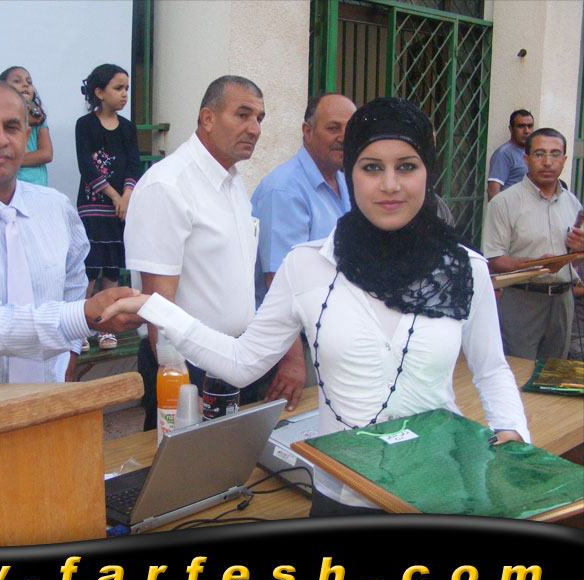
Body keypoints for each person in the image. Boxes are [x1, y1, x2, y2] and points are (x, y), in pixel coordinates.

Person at [105, 97, 530, 517]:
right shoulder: (307, 265)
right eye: (371, 167)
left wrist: (512, 430)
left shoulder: (465, 268)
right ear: (351, 172)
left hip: (437, 493)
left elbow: (491, 368)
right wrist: (156, 308)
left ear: (428, 172)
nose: (390, 185)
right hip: (342, 497)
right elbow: (241, 363)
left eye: (406, 166)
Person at [0, 80, 141, 389]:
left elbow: (73, 286)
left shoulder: (56, 208)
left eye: (12, 127)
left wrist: (68, 360)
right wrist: (84, 315)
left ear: (26, 136)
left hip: (48, 396)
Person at [124, 75, 267, 431]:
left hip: (235, 358)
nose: (254, 129)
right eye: (243, 115)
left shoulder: (233, 182)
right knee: (182, 465)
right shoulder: (168, 185)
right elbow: (158, 305)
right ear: (208, 118)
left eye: (259, 118)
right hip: (186, 367)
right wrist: (182, 390)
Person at [251, 93, 356, 408]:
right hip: (294, 346)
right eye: (333, 128)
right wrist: (292, 360)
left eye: (350, 129)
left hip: (331, 337)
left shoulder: (345, 183)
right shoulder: (285, 189)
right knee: (297, 427)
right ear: (307, 131)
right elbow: (278, 283)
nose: (343, 137)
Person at [482, 128, 584, 360]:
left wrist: (579, 249)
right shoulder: (504, 203)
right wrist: (535, 264)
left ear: (564, 160)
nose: (547, 162)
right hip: (521, 300)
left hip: (562, 301)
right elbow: (494, 261)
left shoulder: (572, 203)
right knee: (519, 371)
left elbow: (575, 259)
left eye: (555, 154)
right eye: (539, 154)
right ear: (526, 159)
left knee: (552, 373)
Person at [76, 64, 141, 351]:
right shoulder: (85, 125)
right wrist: (115, 196)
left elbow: (133, 164)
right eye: (118, 88)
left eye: (126, 88)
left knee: (112, 267)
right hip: (93, 207)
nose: (124, 94)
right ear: (100, 92)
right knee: (90, 268)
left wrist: (127, 195)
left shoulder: (127, 128)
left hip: (120, 209)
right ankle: (80, 326)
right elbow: (86, 166)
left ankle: (106, 325)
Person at [0, 66, 53, 186]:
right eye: (17, 81)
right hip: (9, 185)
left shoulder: (39, 121)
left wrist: (11, 160)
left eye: (29, 82)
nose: (25, 85)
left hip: (37, 186)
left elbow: (46, 154)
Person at [486, 109, 533, 200]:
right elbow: (493, 191)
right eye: (521, 126)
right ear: (511, 129)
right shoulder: (503, 154)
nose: (526, 131)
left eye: (529, 126)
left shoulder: (533, 153)